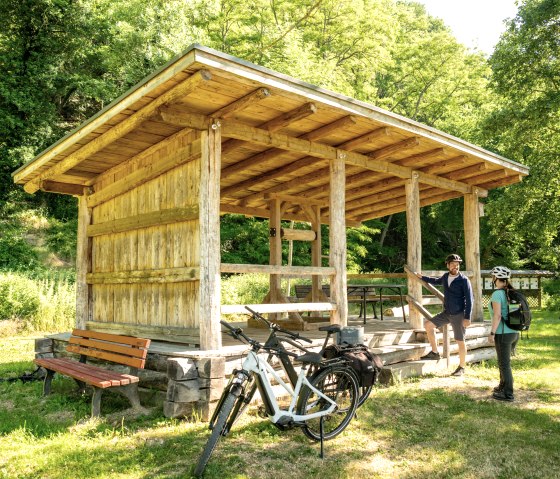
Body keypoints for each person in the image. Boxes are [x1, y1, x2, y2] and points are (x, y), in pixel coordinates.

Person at [415, 254, 474, 376]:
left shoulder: (464, 280)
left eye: (457, 264)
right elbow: (436, 281)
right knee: (428, 325)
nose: (455, 266)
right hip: (447, 312)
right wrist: (423, 277)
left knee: (460, 340)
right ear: (447, 265)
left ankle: (462, 367)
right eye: (452, 264)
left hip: (459, 314)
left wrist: (467, 317)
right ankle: (435, 352)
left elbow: (470, 300)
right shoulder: (446, 276)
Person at [488, 266, 519, 402]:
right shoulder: (511, 292)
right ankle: (502, 386)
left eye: (493, 277)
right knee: (503, 363)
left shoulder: (497, 294)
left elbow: (497, 315)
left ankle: (508, 394)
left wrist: (492, 332)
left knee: (504, 364)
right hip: (514, 333)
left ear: (496, 278)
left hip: (503, 333)